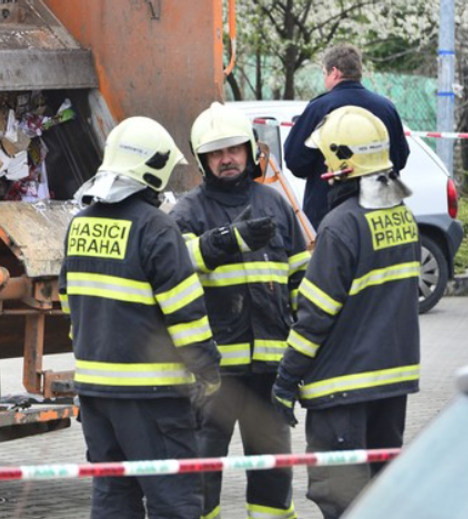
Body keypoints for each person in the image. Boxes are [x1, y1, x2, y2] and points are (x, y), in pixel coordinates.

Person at [59, 116, 222, 519]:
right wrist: (208, 372)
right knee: (175, 500)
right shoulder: (157, 228)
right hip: (153, 397)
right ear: (154, 167)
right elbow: (187, 317)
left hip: (96, 394)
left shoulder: (78, 226)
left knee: (113, 497)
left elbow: (68, 303)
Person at [272, 106, 421, 519]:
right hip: (392, 384)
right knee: (382, 492)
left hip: (341, 389)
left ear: (341, 164)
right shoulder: (402, 217)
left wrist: (286, 379)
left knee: (341, 499)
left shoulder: (340, 226)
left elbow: (315, 315)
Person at [170, 102, 309, 519]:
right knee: (202, 474)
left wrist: (302, 359)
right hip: (213, 376)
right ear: (202, 160)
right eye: (216, 153)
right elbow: (174, 265)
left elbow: (301, 282)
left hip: (270, 372)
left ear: (250, 151)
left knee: (272, 474)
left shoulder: (276, 204)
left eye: (233, 149)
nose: (226, 159)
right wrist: (223, 241)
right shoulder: (188, 212)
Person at [284, 43, 409, 230]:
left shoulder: (320, 108)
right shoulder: (386, 108)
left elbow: (295, 161)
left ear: (334, 72)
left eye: (324, 73)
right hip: (380, 215)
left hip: (329, 215)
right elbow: (400, 158)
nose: (324, 79)